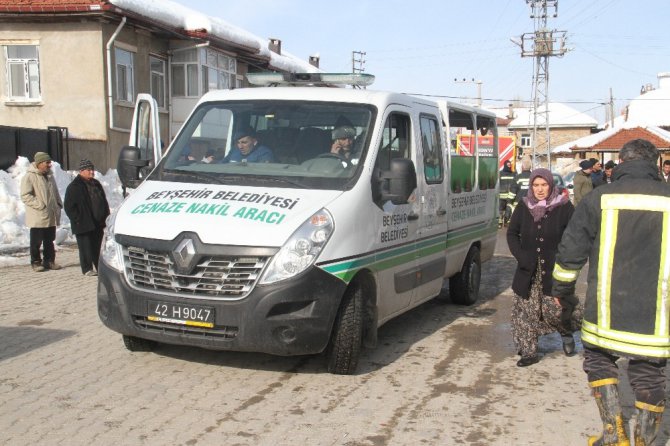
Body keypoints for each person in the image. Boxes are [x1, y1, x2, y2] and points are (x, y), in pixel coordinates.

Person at [552, 139, 670, 445]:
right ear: (656, 164)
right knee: (650, 372)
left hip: (605, 308)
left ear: (620, 161)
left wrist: (562, 290)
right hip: (657, 313)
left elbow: (571, 250)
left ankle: (613, 433)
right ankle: (644, 440)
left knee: (598, 360)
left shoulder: (599, 198)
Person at [506, 168, 579, 367]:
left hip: (554, 270)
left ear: (551, 185)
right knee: (525, 312)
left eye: (544, 185)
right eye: (536, 185)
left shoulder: (564, 207)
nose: (539, 190)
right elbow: (512, 233)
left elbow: (573, 237)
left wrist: (564, 260)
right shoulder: (524, 206)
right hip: (527, 270)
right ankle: (529, 351)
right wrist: (521, 256)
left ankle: (566, 331)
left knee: (554, 311)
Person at [64, 159, 110, 276]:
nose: (92, 172)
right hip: (83, 223)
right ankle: (87, 268)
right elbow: (69, 207)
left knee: (97, 247)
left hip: (97, 222)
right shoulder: (74, 186)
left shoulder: (96, 184)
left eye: (92, 170)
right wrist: (77, 219)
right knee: (85, 247)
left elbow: (103, 201)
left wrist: (105, 215)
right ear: (82, 171)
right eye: (89, 170)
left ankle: (99, 267)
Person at [20, 152, 63, 272]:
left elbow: (55, 191)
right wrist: (40, 205)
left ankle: (49, 261)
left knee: (50, 240)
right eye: (47, 162)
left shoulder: (50, 175)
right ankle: (36, 262)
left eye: (49, 162)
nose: (49, 165)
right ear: (39, 163)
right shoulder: (30, 176)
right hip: (38, 215)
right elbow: (25, 195)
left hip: (51, 214)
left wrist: (59, 203)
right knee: (36, 241)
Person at [498, 159, 516, 228]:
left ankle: (506, 222)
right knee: (500, 209)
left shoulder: (513, 174)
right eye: (508, 165)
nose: (509, 166)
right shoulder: (500, 173)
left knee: (508, 209)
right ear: (505, 165)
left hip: (509, 196)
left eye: (510, 165)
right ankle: (499, 223)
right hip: (501, 196)